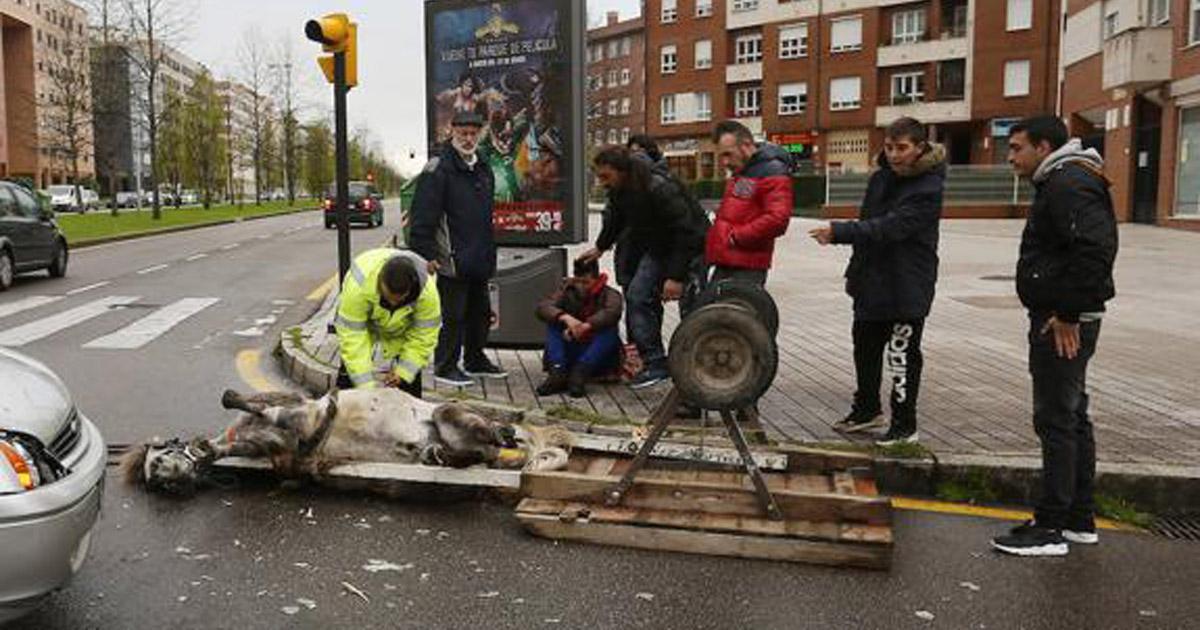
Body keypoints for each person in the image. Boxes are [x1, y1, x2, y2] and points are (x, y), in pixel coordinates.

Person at [990, 115, 1118, 557]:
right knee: (1072, 416)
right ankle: (1077, 520)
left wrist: (1066, 313)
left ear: (1044, 147)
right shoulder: (1065, 180)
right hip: (1064, 314)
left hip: (1062, 321)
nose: (1011, 157)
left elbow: (1095, 249)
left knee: (1056, 420)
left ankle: (1050, 528)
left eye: (1017, 148)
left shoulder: (1068, 184)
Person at [809, 117, 946, 447]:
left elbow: (891, 227)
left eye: (903, 148)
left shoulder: (928, 187)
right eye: (889, 147)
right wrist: (855, 275)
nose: (895, 155)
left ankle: (904, 425)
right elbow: (870, 223)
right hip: (872, 282)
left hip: (906, 285)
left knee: (901, 356)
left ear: (920, 148)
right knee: (865, 349)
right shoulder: (882, 178)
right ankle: (867, 409)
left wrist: (839, 232)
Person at [578, 145, 709, 390]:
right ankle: (655, 362)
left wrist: (675, 277)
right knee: (637, 296)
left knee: (691, 309)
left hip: (689, 249)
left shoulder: (659, 187)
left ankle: (697, 369)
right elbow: (616, 219)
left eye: (606, 176)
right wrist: (600, 247)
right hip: (658, 248)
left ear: (622, 171)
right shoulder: (620, 190)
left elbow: (686, 231)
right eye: (599, 176)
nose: (602, 182)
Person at [409, 110, 508, 387]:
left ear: (480, 134)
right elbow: (422, 216)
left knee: (480, 313)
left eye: (473, 133)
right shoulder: (438, 169)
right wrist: (426, 255)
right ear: (452, 132)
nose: (468, 138)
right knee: (453, 316)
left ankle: (476, 360)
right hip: (451, 258)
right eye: (462, 133)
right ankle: (445, 365)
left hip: (479, 255)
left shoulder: (483, 166)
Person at [334, 248, 441, 397]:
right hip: (366, 323)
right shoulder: (358, 286)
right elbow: (353, 339)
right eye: (387, 297)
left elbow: (424, 336)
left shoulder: (427, 294)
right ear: (380, 280)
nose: (392, 303)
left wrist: (403, 373)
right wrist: (366, 389)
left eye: (398, 300)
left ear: (410, 290)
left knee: (409, 381)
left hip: (403, 327)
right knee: (352, 372)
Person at [708, 120, 795, 286]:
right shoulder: (744, 171)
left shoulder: (772, 172)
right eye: (722, 156)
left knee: (736, 311)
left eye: (728, 154)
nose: (725, 162)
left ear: (747, 145)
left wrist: (736, 237)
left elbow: (777, 219)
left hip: (746, 268)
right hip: (728, 263)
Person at [534, 258, 624, 398]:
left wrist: (587, 326)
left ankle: (580, 372)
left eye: (586, 282)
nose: (581, 286)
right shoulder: (566, 290)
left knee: (609, 331)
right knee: (553, 323)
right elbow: (544, 307)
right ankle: (558, 372)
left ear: (596, 278)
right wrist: (565, 318)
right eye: (578, 281)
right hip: (571, 344)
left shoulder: (611, 294)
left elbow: (612, 312)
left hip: (596, 355)